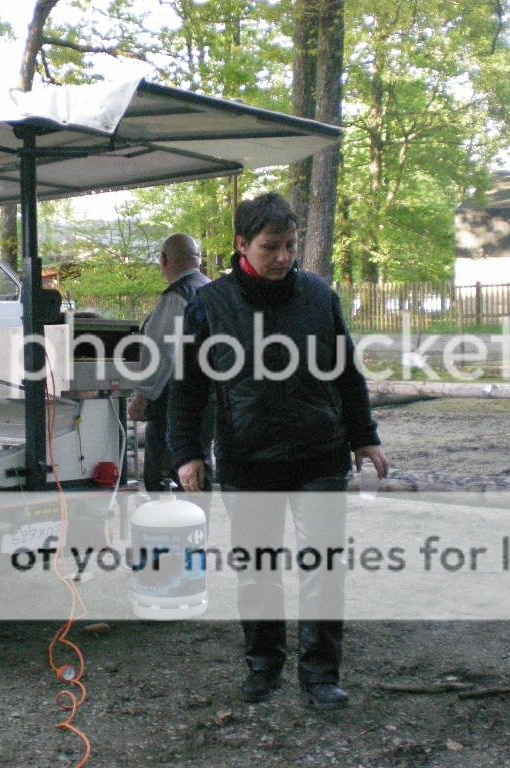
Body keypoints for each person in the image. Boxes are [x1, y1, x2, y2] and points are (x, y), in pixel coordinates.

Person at [167, 192, 389, 710]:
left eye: (291, 246)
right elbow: (189, 387)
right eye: (272, 247)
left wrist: (366, 436)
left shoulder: (317, 295)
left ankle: (320, 675)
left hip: (320, 454)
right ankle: (263, 666)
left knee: (323, 569)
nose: (284, 257)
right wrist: (187, 452)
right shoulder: (210, 304)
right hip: (248, 459)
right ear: (243, 244)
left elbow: (348, 373)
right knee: (258, 570)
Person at [127, 234, 214, 498]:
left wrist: (143, 395)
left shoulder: (177, 296)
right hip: (209, 398)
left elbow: (161, 351)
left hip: (173, 403)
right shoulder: (212, 290)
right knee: (200, 467)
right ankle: (198, 531)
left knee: (161, 474)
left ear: (164, 260)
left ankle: (164, 534)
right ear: (197, 259)